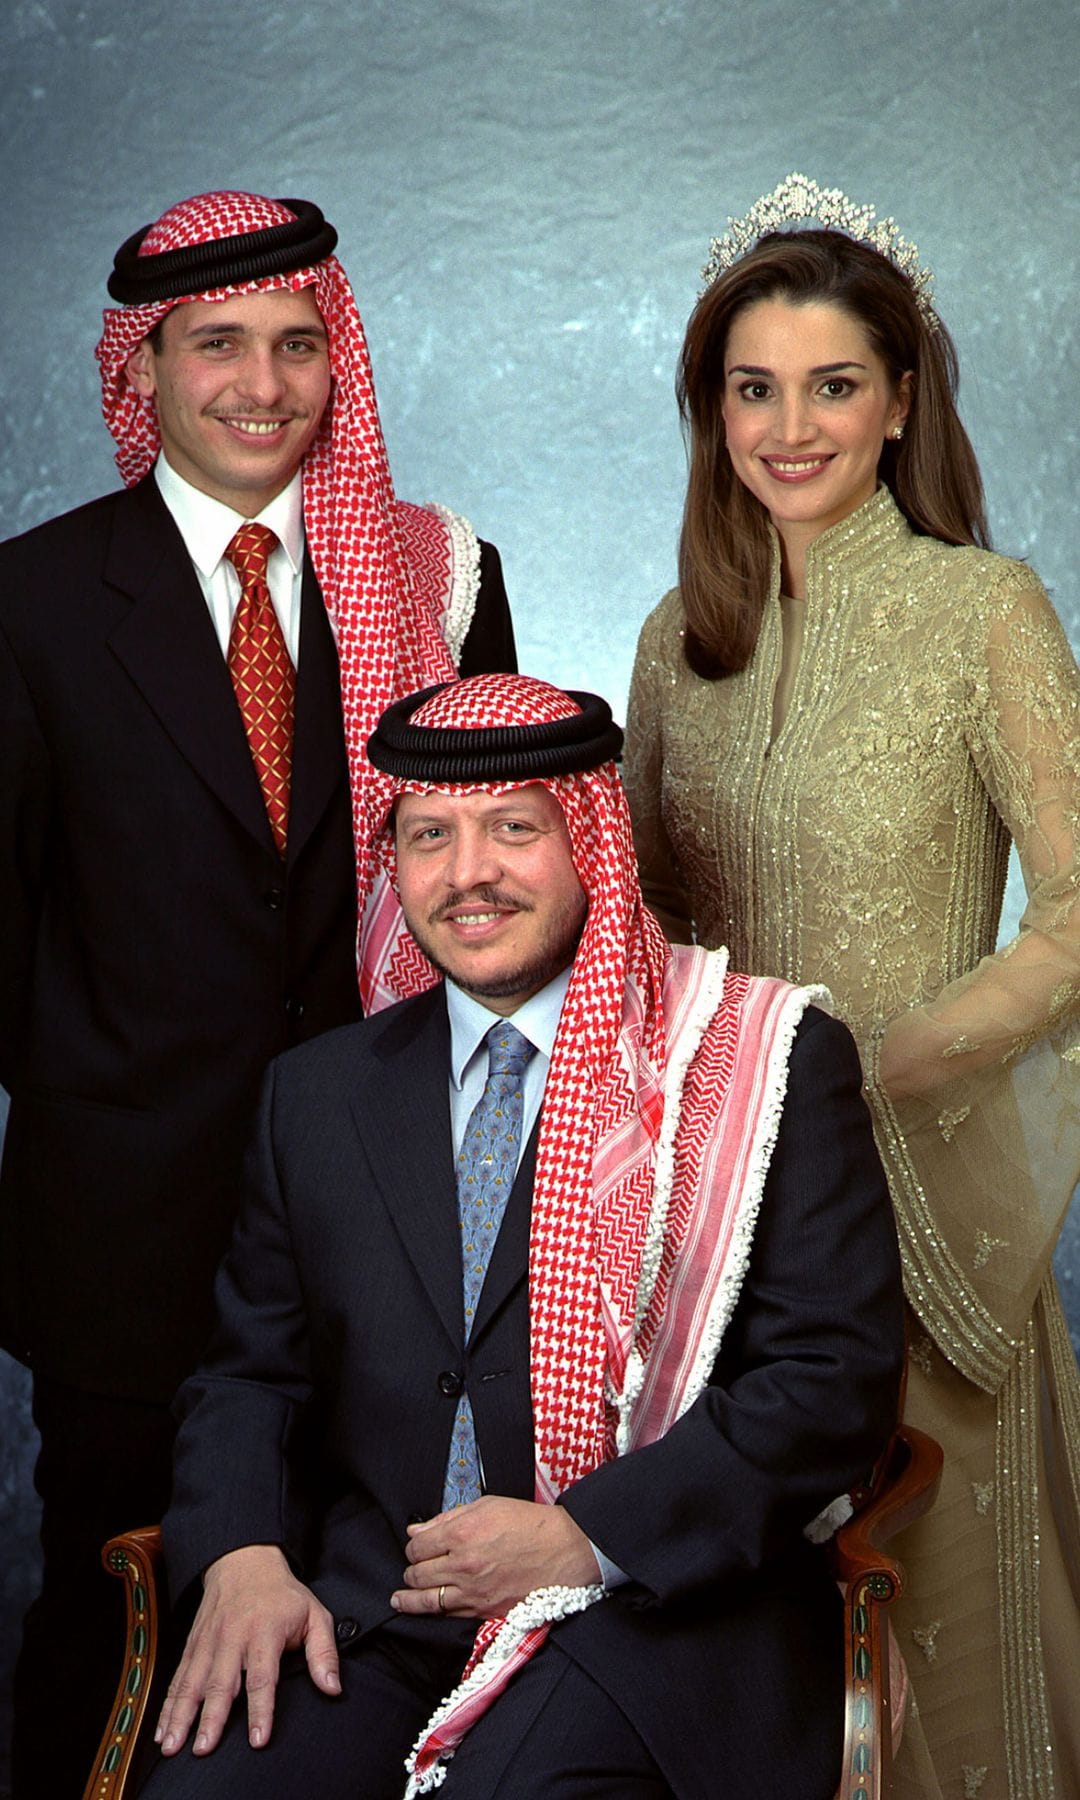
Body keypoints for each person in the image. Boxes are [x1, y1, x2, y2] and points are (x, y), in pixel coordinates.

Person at [132, 671, 903, 1800]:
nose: (468, 873)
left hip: (648, 1621)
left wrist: (584, 1536)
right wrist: (242, 1552)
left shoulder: (757, 1062)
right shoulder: (318, 1094)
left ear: (589, 840)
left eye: (513, 828)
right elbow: (250, 1374)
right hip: (376, 1621)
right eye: (430, 835)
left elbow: (831, 1379)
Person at [0, 189, 516, 1798]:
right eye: (217, 344)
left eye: (298, 343)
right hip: (124, 1239)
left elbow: (496, 886)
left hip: (394, 1225)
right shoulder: (28, 605)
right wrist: (115, 1094)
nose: (262, 383)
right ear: (143, 369)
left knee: (370, 1633)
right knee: (111, 1641)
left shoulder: (429, 583)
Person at [623, 173, 1080, 1800]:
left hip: (927, 1201)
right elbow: (645, 926)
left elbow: (1079, 916)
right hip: (718, 1217)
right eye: (753, 389)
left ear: (900, 401)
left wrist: (886, 1066)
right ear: (713, 410)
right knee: (742, 1629)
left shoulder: (981, 611)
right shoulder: (682, 637)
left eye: (832, 386)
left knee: (939, 1624)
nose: (790, 427)